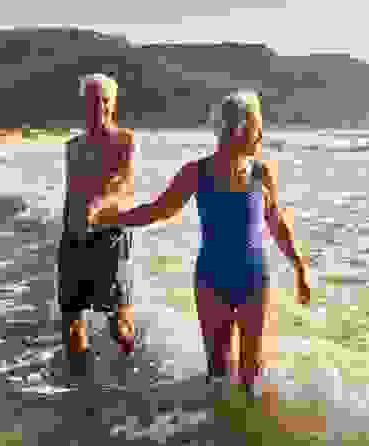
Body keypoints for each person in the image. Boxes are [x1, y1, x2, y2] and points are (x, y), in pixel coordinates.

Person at [95, 90, 311, 393]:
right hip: (211, 280)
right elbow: (159, 210)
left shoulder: (261, 172)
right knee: (218, 371)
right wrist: (117, 218)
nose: (261, 134)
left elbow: (276, 221)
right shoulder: (197, 172)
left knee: (250, 373)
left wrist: (299, 267)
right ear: (241, 128)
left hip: (254, 279)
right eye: (257, 127)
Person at [56, 73, 137, 372]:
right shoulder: (72, 146)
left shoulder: (124, 140)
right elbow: (71, 193)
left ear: (113, 105)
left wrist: (99, 205)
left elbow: (123, 183)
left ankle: (131, 369)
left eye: (104, 101)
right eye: (91, 100)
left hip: (110, 240)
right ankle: (80, 392)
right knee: (72, 323)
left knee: (119, 327)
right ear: (83, 104)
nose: (97, 107)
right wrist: (68, 236)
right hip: (73, 241)